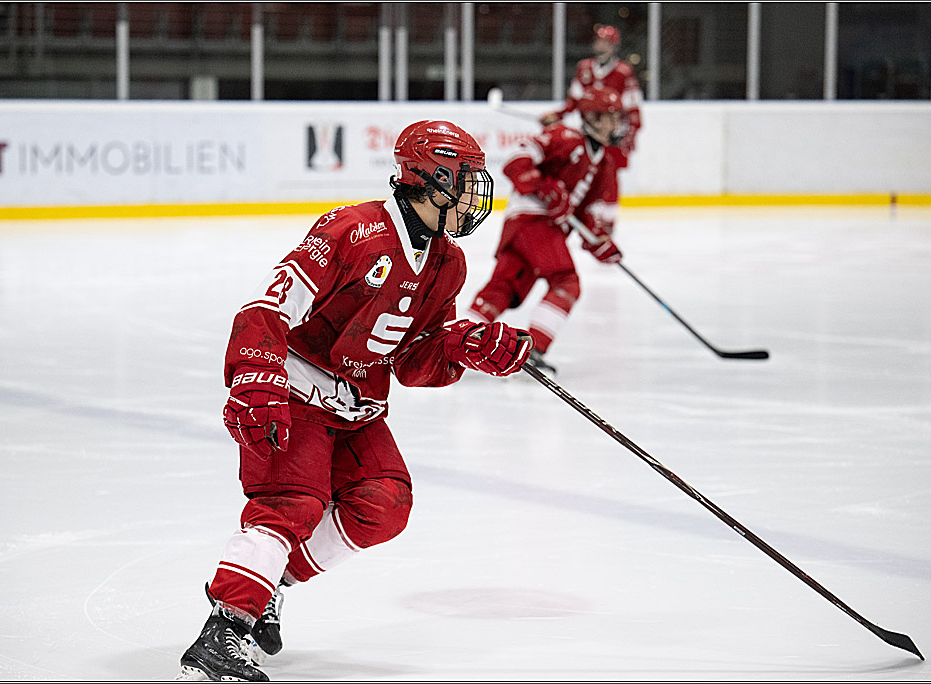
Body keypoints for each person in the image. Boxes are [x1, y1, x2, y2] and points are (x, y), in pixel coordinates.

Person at [177, 120, 533, 681]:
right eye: (464, 184)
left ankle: (269, 583)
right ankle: (222, 632)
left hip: (356, 403)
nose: (473, 199)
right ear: (430, 179)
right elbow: (267, 306)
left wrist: (463, 345)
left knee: (384, 502)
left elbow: (412, 359)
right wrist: (255, 375)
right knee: (291, 502)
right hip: (293, 391)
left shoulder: (448, 264)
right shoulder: (354, 230)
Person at [467, 84, 628, 374]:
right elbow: (515, 162)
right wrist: (542, 186)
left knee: (502, 290)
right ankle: (534, 351)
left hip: (532, 229)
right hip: (532, 221)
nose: (617, 123)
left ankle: (454, 341)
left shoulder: (604, 164)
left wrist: (600, 242)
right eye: (611, 116)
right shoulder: (563, 137)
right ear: (593, 117)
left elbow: (584, 216)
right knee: (566, 281)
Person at [540, 24, 643, 157]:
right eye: (599, 42)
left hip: (615, 136)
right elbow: (573, 101)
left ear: (614, 46)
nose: (601, 47)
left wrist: (628, 138)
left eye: (606, 43)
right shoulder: (584, 68)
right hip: (589, 134)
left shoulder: (623, 72)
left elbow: (633, 111)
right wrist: (557, 116)